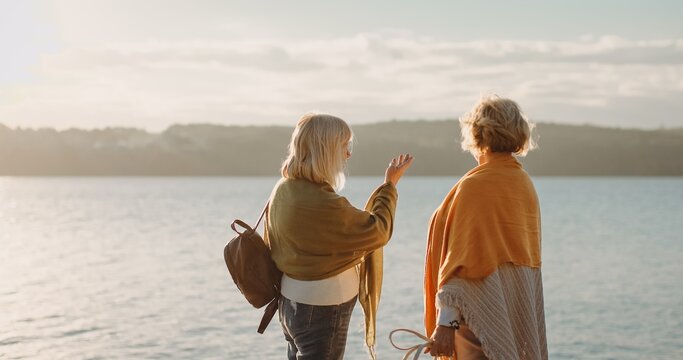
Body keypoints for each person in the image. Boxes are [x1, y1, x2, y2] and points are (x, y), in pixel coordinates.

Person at [265, 113, 413, 360]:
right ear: (327, 149)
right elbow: (378, 230)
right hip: (320, 308)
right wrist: (390, 186)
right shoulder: (323, 203)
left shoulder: (283, 188)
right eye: (345, 146)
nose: (348, 154)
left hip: (290, 301)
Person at [424, 96, 548, 359]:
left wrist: (445, 324)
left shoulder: (474, 187)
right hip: (512, 315)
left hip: (477, 321)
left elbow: (465, 263)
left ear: (477, 133)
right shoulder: (524, 183)